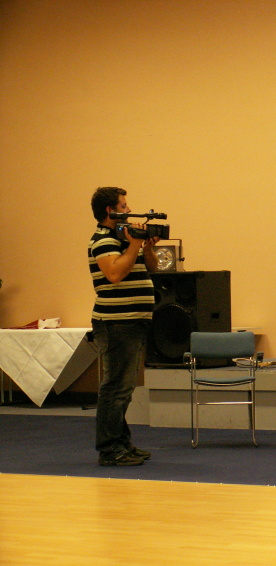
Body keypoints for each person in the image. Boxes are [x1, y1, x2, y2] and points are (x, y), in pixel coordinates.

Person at [88, 187, 159, 466]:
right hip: (116, 322)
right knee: (115, 387)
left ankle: (122, 443)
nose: (129, 211)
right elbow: (115, 274)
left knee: (125, 388)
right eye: (124, 206)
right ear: (110, 210)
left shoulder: (124, 239)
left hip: (133, 321)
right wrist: (133, 244)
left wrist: (146, 247)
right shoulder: (103, 241)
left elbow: (153, 268)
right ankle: (109, 450)